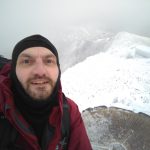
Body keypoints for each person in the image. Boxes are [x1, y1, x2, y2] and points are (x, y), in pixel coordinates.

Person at [0, 35, 92, 150]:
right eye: (27, 61)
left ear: (58, 70)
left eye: (49, 61)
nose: (40, 71)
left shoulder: (69, 111)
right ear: (14, 71)